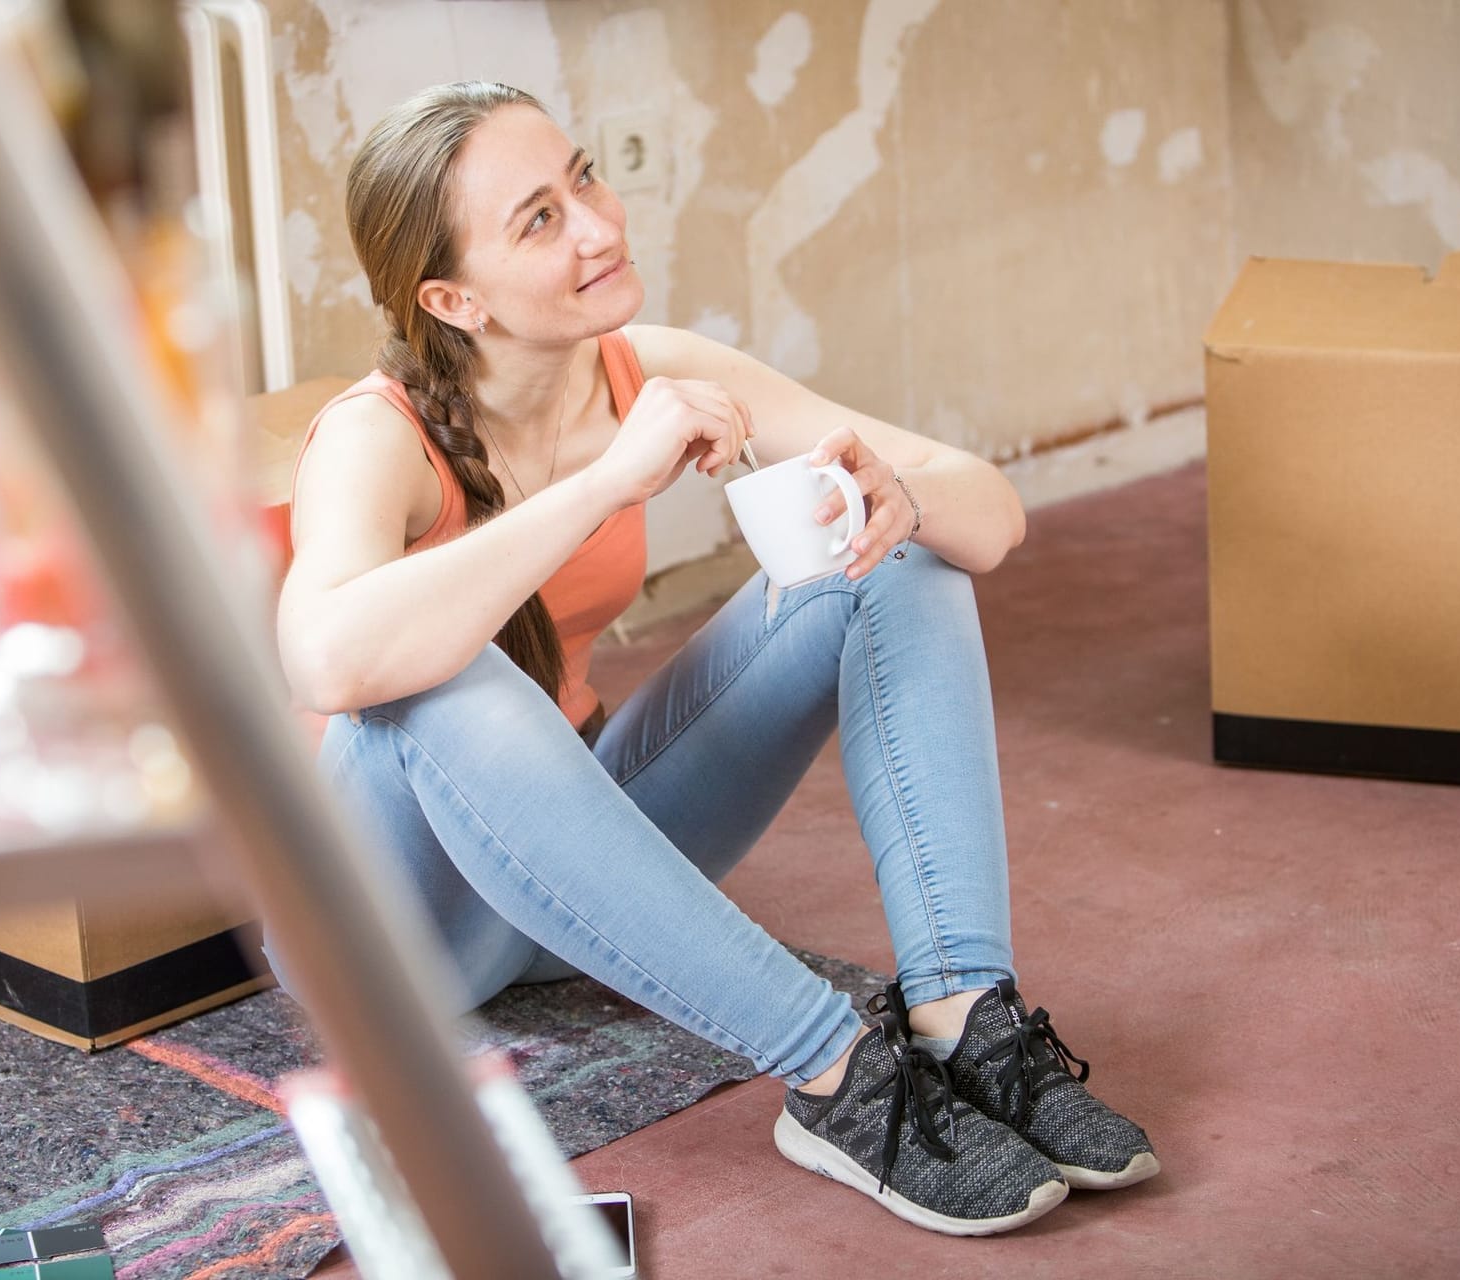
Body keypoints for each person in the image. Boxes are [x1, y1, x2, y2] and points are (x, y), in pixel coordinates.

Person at [272, 80, 1157, 1237]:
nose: (597, 225)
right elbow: (328, 663)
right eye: (539, 218)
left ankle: (965, 1015)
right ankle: (839, 1073)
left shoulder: (648, 367)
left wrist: (898, 495)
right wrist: (606, 484)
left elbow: (988, 518)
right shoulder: (372, 435)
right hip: (388, 921)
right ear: (453, 297)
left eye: (584, 177)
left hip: (558, 865)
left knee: (891, 543)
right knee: (448, 674)